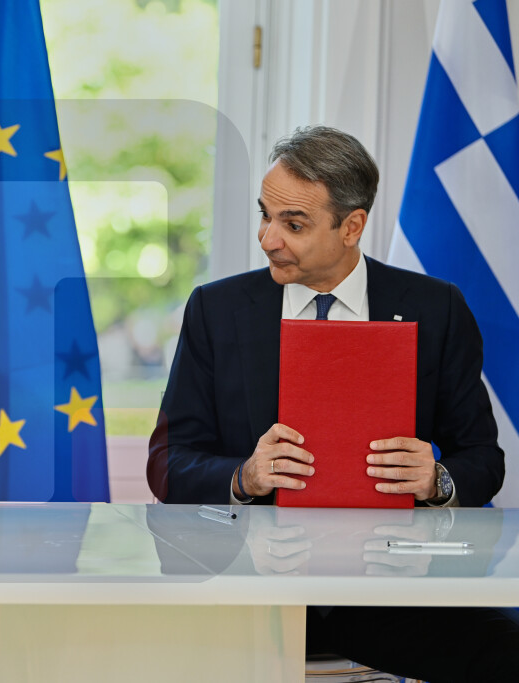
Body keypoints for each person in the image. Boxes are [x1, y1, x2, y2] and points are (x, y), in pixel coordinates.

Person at [148, 125, 519, 681]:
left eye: (293, 224)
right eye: (265, 216)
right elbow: (166, 464)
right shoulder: (216, 310)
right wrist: (244, 476)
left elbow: (484, 460)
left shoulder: (436, 308)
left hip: (391, 590)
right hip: (249, 584)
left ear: (352, 226)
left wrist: (437, 479)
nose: (268, 238)